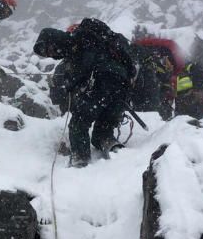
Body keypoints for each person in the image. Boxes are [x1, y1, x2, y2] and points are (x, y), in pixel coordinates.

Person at [34, 18, 136, 167]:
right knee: (102, 131)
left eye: (49, 48)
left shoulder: (77, 40)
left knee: (78, 124)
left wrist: (71, 83)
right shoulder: (100, 41)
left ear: (54, 39)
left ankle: (80, 160)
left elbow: (87, 64)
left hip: (102, 83)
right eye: (48, 54)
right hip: (121, 88)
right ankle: (113, 148)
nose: (51, 53)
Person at [129, 37, 179, 120]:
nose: (171, 66)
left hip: (144, 110)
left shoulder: (157, 72)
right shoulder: (153, 70)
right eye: (170, 63)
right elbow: (153, 100)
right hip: (149, 114)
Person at [172, 55, 203, 119]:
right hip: (187, 104)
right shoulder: (182, 73)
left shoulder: (189, 69)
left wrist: (195, 91)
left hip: (187, 102)